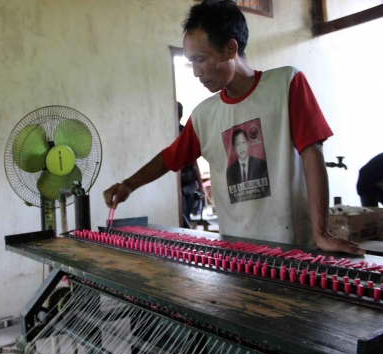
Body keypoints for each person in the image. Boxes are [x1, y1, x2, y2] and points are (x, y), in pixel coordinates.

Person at [103, 0, 363, 255]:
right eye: (190, 61)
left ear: (230, 49)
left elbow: (312, 154)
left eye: (200, 59)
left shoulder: (286, 84)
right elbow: (170, 158)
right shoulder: (204, 115)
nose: (195, 71)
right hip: (237, 256)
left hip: (294, 250)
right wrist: (128, 185)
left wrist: (321, 232)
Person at [178, 101, 203, 228]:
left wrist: (200, 184)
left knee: (186, 217)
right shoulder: (170, 131)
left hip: (189, 183)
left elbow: (194, 160)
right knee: (182, 219)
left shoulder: (184, 131)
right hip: (180, 185)